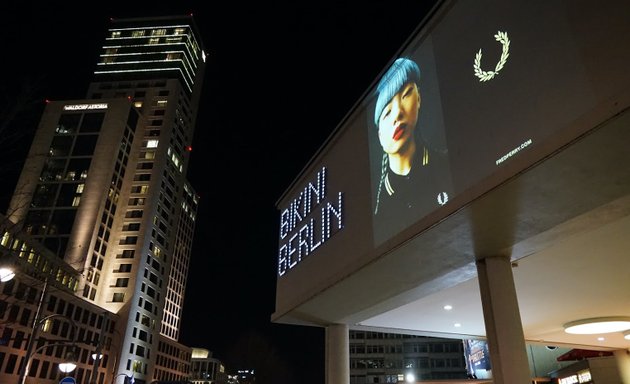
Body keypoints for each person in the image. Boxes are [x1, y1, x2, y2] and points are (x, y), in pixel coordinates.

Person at [372, 57, 452, 223]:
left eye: (406, 94)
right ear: (380, 136)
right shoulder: (381, 213)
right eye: (387, 113)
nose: (397, 114)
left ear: (419, 98)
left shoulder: (447, 165)